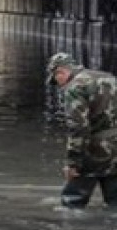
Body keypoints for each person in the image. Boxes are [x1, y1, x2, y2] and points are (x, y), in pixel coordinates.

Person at [47, 52, 117, 208]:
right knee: (114, 198)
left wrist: (73, 163)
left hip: (95, 150)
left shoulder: (75, 88)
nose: (59, 85)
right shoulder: (109, 78)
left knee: (72, 201)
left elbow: (78, 127)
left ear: (61, 72)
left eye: (56, 80)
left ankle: (71, 223)